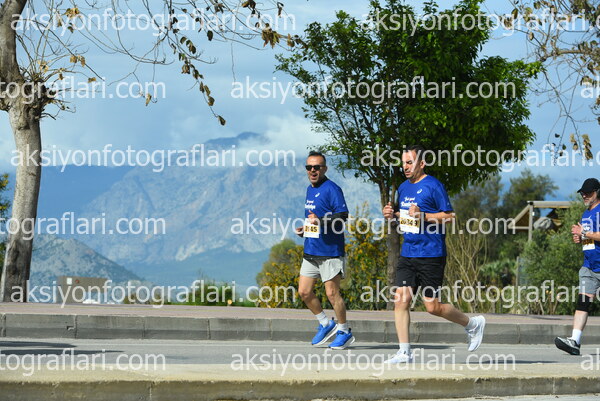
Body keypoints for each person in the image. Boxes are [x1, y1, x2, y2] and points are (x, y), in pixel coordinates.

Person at [382, 145, 485, 363]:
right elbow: (405, 220)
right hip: (408, 252)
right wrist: (392, 215)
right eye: (403, 163)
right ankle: (404, 352)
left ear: (421, 163)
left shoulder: (433, 185)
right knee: (401, 299)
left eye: (410, 163)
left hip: (431, 254)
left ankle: (472, 324)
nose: (405, 167)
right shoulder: (403, 188)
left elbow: (450, 216)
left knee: (432, 306)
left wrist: (425, 216)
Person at [295, 150, 354, 349]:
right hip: (311, 250)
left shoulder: (332, 189)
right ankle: (325, 323)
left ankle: (344, 330)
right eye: (309, 167)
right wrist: (305, 230)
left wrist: (320, 221)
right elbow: (314, 219)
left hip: (330, 252)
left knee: (332, 294)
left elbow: (342, 216)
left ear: (324, 169)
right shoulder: (309, 189)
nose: (313, 170)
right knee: (304, 292)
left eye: (317, 167)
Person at [555, 178, 600, 355]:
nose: (584, 196)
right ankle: (575, 341)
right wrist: (580, 239)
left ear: (597, 192)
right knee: (583, 302)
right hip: (589, 266)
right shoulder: (585, 214)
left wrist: (583, 232)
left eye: (588, 193)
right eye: (582, 193)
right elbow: (589, 238)